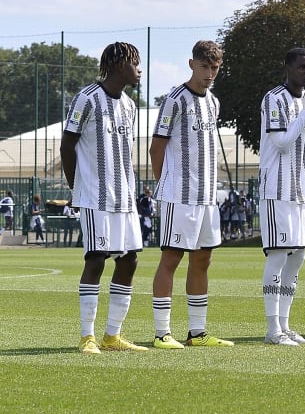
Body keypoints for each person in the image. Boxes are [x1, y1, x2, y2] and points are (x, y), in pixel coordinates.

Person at [60, 42, 149, 353]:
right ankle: (88, 336)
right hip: (95, 195)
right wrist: (77, 189)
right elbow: (67, 146)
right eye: (135, 63)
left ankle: (113, 336)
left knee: (130, 259)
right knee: (96, 258)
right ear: (119, 64)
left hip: (125, 197)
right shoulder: (86, 99)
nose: (140, 70)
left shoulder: (129, 105)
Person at [150, 40, 232, 348]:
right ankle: (162, 333)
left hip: (207, 198)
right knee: (171, 258)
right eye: (205, 67)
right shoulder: (175, 100)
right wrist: (166, 187)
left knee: (203, 259)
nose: (210, 74)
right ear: (191, 64)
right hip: (179, 196)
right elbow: (156, 147)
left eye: (215, 68)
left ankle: (197, 332)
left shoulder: (213, 102)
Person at [259, 47, 305, 346]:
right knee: (278, 255)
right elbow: (283, 142)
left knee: (298, 256)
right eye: (302, 67)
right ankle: (273, 329)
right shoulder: (274, 98)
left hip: (301, 190)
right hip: (277, 189)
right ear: (287, 67)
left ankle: (286, 326)